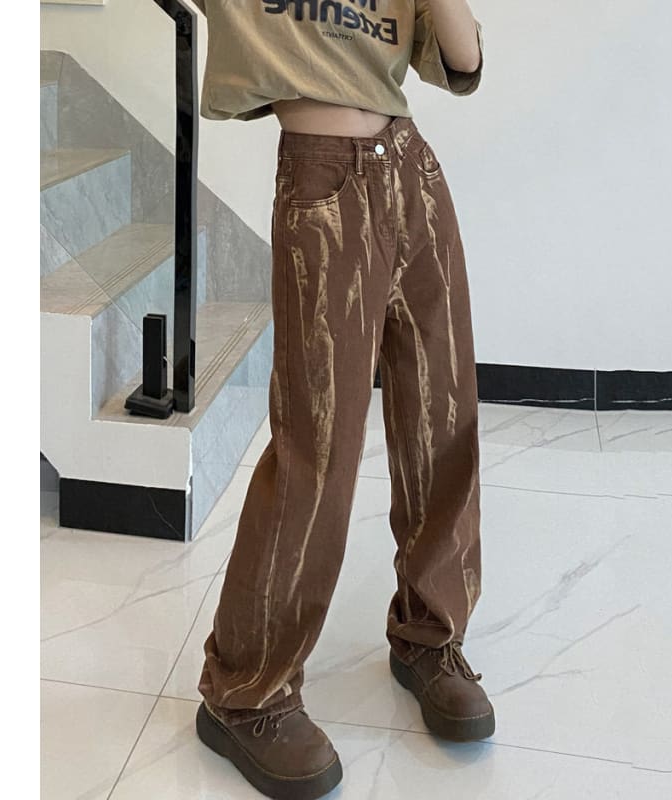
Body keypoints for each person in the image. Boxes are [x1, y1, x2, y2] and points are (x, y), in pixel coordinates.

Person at [189, 2, 493, 798]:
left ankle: (429, 636)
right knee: (316, 444)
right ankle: (244, 689)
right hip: (323, 179)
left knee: (441, 414)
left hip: (413, 172)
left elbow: (463, 58)